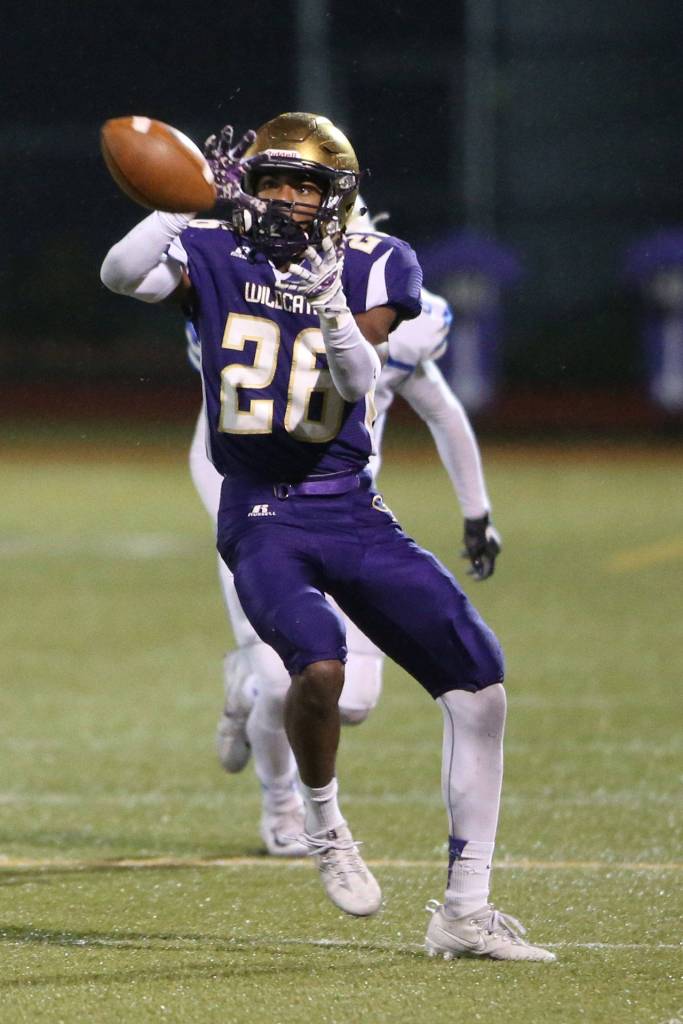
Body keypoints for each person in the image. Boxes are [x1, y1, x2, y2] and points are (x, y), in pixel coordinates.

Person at [101, 111, 554, 960]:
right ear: (249, 183)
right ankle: (318, 823)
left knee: (479, 685)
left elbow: (364, 380)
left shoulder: (381, 262)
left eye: (304, 185)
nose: (286, 199)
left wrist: (330, 308)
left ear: (338, 196)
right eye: (271, 181)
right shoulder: (214, 243)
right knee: (311, 665)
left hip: (349, 503)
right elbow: (120, 271)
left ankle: (464, 908)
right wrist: (181, 200)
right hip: (259, 500)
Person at [185, 197, 504, 861]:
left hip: (344, 511)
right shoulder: (242, 286)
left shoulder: (394, 307)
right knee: (283, 678)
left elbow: (440, 410)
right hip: (259, 505)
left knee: (350, 701)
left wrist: (476, 510)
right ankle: (282, 805)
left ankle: (243, 685)